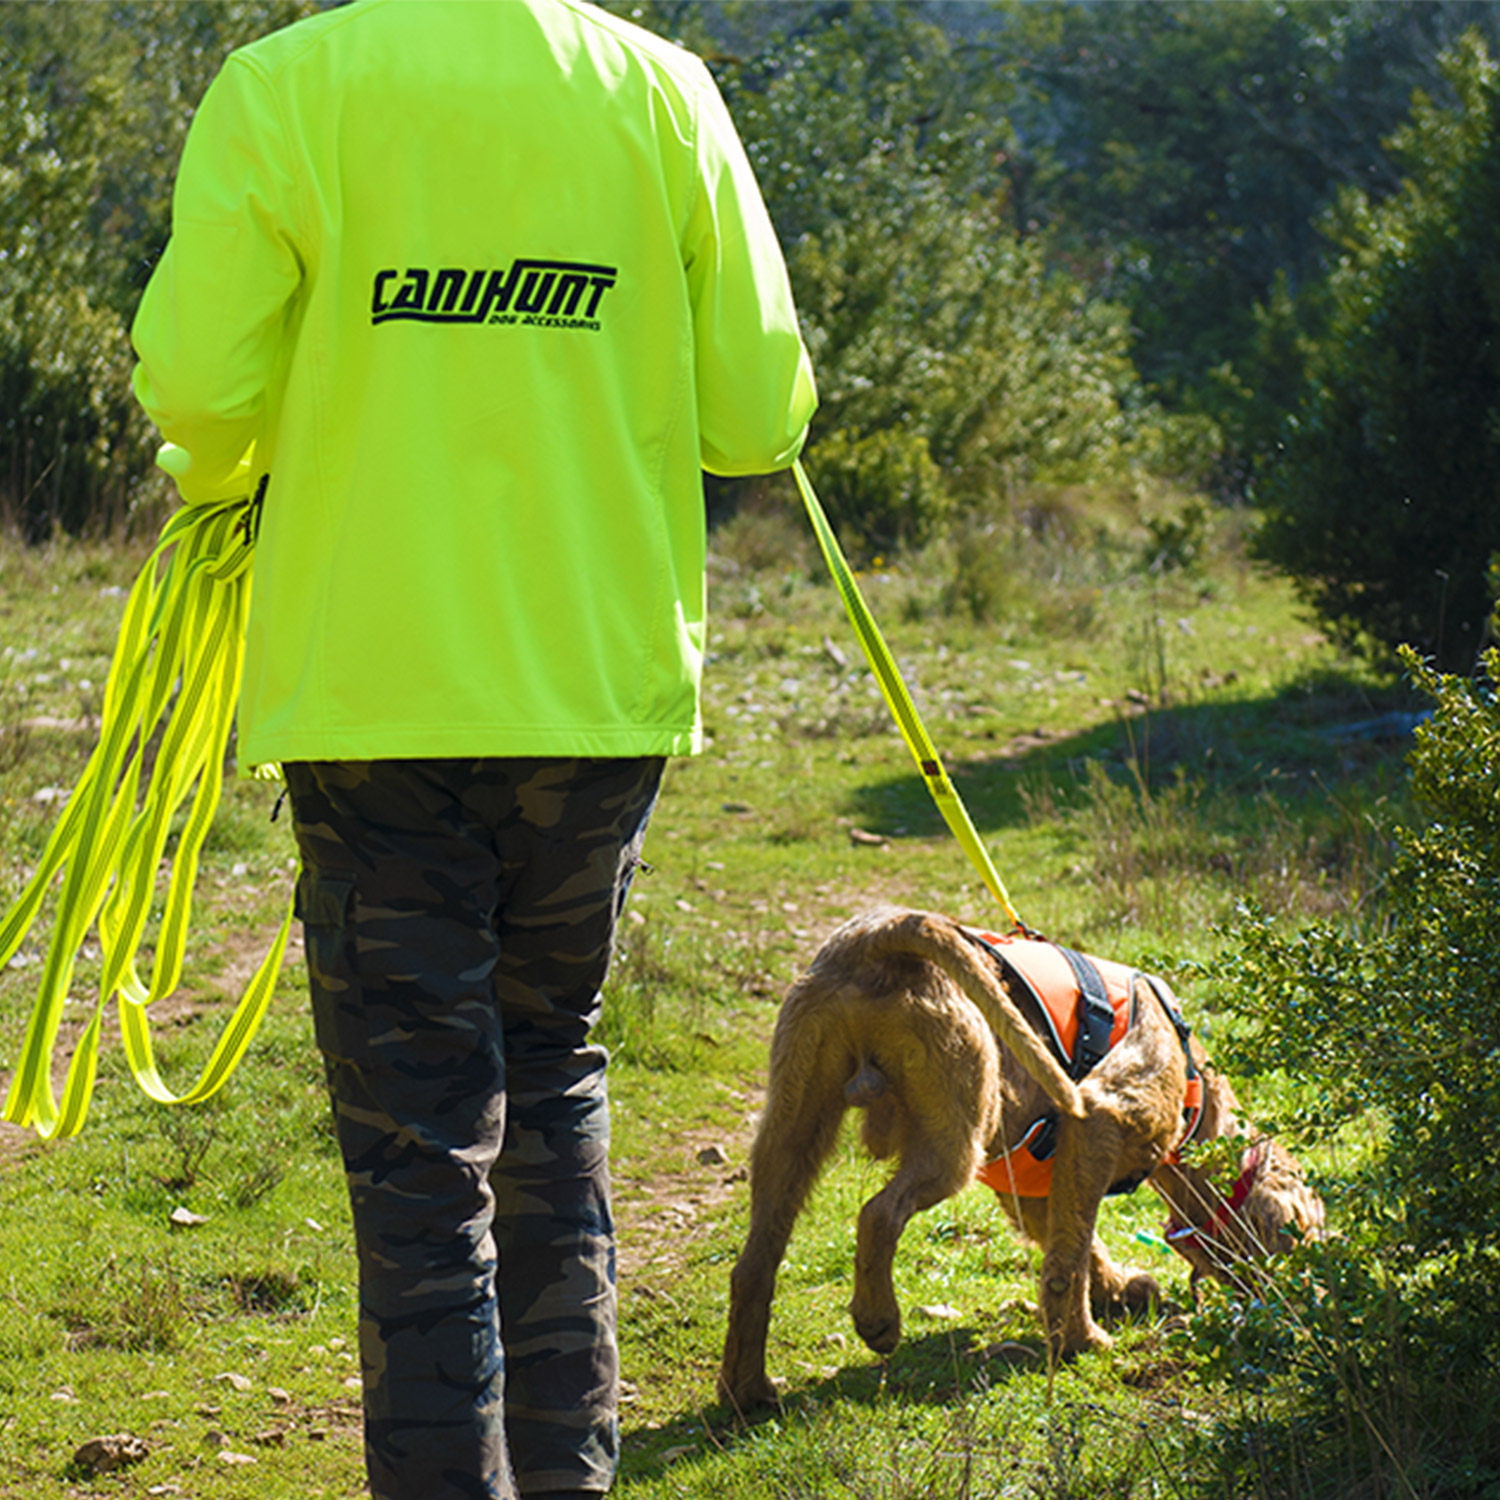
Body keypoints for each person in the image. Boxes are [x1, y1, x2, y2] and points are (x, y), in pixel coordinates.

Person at [129, 3, 816, 1497]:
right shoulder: (661, 90)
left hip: (374, 703)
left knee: (419, 1148)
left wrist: (234, 469)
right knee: (551, 1076)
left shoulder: (289, 87)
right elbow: (760, 415)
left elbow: (195, 390)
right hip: (591, 690)